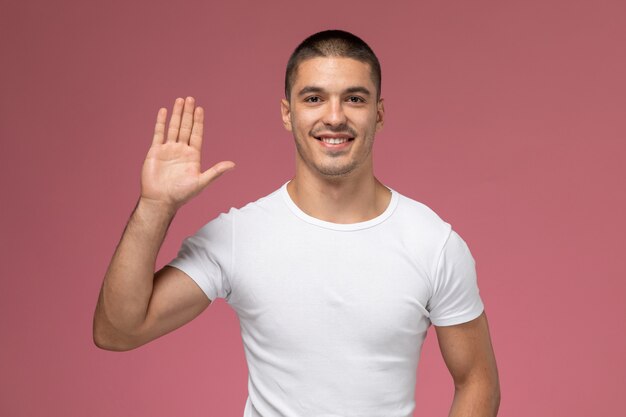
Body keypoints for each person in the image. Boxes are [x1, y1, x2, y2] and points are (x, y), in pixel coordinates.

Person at [93, 30, 500, 417]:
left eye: (354, 98)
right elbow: (119, 331)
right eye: (314, 98)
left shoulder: (433, 243)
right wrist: (155, 206)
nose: (335, 116)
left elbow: (477, 379)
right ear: (288, 113)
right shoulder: (239, 236)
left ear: (378, 113)